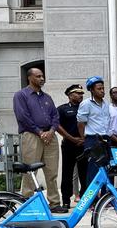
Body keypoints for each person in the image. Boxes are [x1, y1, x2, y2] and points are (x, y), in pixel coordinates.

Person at [13, 68, 63, 212]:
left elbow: (55, 116)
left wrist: (51, 131)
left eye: (43, 76)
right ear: (30, 78)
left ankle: (54, 203)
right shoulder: (21, 95)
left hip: (50, 136)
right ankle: (27, 203)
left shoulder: (47, 97)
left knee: (52, 171)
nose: (42, 78)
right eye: (38, 76)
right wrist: (40, 132)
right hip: (32, 135)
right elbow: (23, 116)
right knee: (30, 171)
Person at [56, 84, 88, 212]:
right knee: (67, 174)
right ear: (70, 95)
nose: (80, 95)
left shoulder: (86, 108)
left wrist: (84, 139)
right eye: (77, 93)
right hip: (69, 144)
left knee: (84, 174)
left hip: (84, 144)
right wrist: (71, 138)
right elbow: (57, 126)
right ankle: (65, 201)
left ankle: (85, 199)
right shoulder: (62, 109)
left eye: (81, 93)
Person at [77, 76, 111, 186]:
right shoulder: (86, 104)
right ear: (91, 90)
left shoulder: (106, 104)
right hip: (93, 140)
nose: (102, 91)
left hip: (105, 139)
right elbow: (80, 123)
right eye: (99, 89)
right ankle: (93, 200)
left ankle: (105, 198)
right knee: (93, 170)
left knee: (106, 169)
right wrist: (84, 139)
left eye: (103, 88)